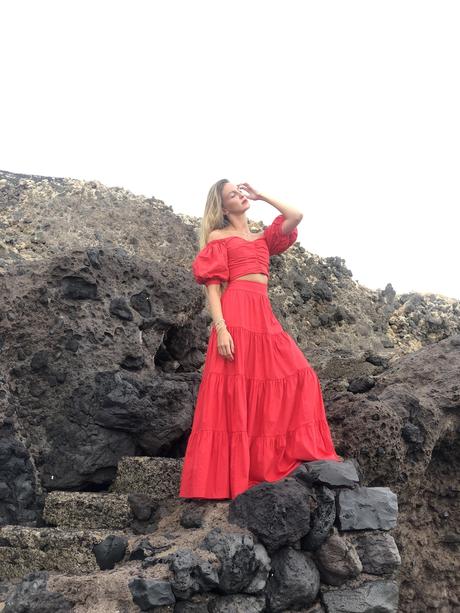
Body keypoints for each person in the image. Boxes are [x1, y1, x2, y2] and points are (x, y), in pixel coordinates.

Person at [179, 179, 343, 501]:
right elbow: (213, 286)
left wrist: (261, 195)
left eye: (240, 192)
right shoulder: (218, 237)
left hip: (262, 313)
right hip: (236, 314)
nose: (240, 197)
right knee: (239, 388)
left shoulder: (262, 238)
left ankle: (269, 459)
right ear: (223, 207)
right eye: (233, 195)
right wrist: (221, 328)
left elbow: (295, 215)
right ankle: (228, 479)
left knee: (301, 375)